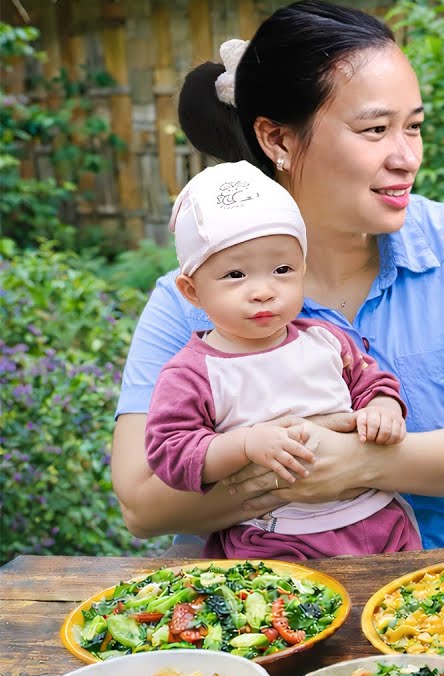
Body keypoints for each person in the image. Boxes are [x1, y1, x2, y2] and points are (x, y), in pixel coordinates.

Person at [111, 0, 444, 549]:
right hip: (302, 591)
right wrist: (284, 458)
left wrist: (356, 463)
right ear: (278, 139)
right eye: (375, 129)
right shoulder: (190, 300)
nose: (406, 158)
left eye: (413, 127)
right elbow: (142, 503)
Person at [145, 160, 421, 559]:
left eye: (282, 270)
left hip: (377, 521)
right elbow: (170, 450)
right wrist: (244, 444)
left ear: (303, 273)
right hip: (274, 538)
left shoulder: (326, 340)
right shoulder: (193, 372)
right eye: (235, 275)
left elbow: (373, 382)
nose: (263, 291)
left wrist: (382, 408)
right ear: (191, 290)